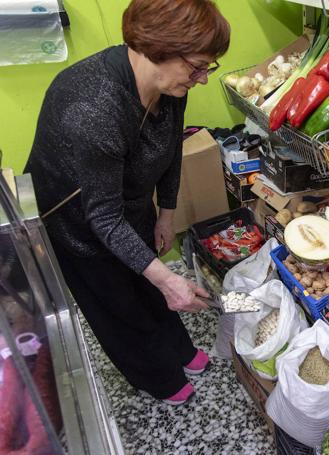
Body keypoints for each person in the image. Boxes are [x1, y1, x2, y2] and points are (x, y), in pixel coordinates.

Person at [23, 0, 230, 405]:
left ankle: (177, 350)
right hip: (77, 221)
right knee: (118, 302)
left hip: (128, 201)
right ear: (159, 48)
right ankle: (155, 376)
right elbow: (102, 216)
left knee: (150, 282)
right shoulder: (91, 108)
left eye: (210, 66)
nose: (203, 78)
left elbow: (170, 150)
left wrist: (166, 215)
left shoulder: (171, 83)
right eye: (199, 66)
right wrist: (168, 278)